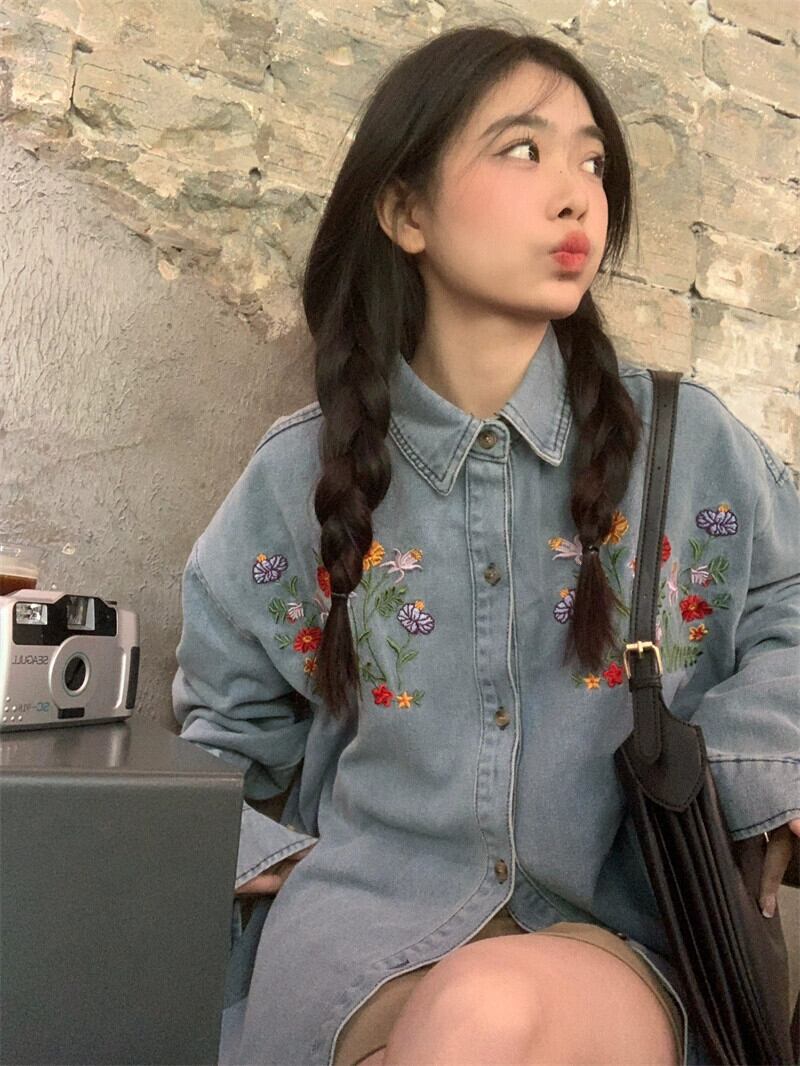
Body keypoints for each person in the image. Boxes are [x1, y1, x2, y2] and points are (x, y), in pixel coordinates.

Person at [171, 22, 800, 1066]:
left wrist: (755, 777)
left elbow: (793, 601)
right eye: (523, 150)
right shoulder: (296, 478)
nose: (575, 196)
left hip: (615, 934)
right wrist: (256, 856)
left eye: (591, 163)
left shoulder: (686, 445)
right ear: (404, 211)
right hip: (360, 946)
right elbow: (215, 732)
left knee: (484, 1013)